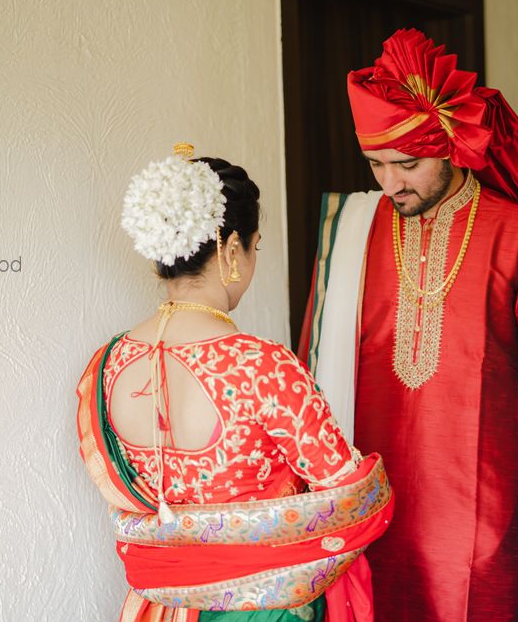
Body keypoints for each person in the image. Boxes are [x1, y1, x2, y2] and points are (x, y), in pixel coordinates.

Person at [297, 30, 518, 621]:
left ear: (450, 146)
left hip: (484, 540)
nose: (390, 184)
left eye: (408, 164)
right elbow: (308, 395)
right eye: (376, 164)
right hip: (366, 535)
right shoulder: (353, 234)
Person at [77, 145, 394, 622]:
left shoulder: (105, 364)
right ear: (230, 250)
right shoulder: (260, 365)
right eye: (255, 246)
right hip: (260, 608)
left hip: (157, 608)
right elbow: (347, 495)